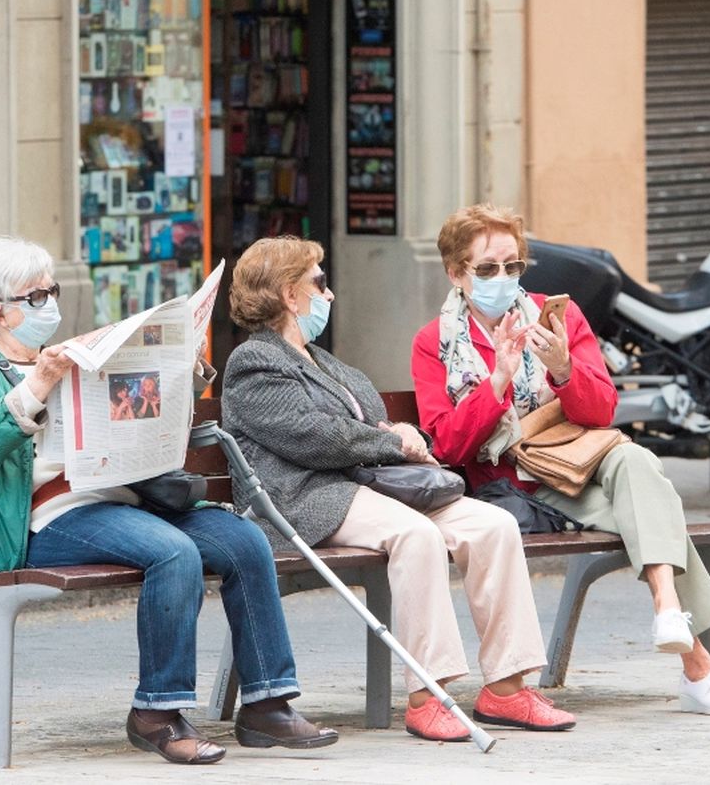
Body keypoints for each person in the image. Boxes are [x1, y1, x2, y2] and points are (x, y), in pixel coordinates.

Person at [0, 236, 337, 765]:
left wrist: (182, 370)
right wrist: (37, 384)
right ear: (0, 313)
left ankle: (267, 703)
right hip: (47, 519)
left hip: (125, 497)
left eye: (51, 290)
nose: (50, 304)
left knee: (243, 540)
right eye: (35, 297)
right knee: (173, 552)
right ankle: (157, 711)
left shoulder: (79, 359)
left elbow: (145, 420)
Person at [221, 236, 576, 742]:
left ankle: (507, 686)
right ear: (288, 295)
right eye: (319, 282)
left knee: (493, 525)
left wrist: (401, 436)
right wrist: (393, 440)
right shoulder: (254, 361)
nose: (330, 294)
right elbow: (311, 436)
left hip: (365, 488)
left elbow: (369, 424)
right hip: (304, 500)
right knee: (416, 535)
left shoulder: (324, 360)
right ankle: (429, 697)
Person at [410, 205, 710, 716]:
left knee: (635, 462)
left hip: (577, 462)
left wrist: (564, 369)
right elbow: (448, 448)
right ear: (457, 274)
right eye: (486, 269)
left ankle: (666, 609)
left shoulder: (557, 316)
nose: (502, 279)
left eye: (513, 266)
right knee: (650, 507)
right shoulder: (433, 342)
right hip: (512, 487)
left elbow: (603, 410)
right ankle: (697, 666)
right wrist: (498, 381)